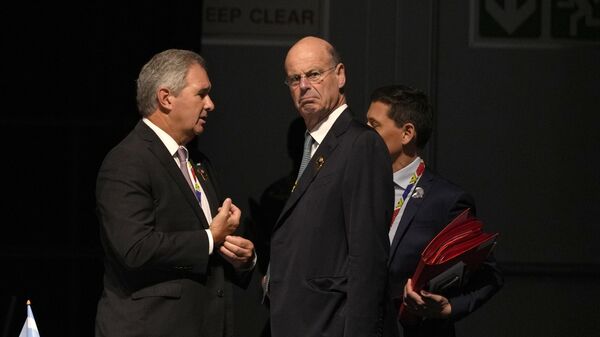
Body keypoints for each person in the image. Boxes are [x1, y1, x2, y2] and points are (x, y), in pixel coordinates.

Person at [95, 49, 256, 337]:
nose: (211, 104)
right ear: (166, 98)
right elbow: (134, 249)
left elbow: (205, 251)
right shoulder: (127, 160)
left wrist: (239, 257)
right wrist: (210, 238)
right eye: (201, 94)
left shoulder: (198, 161)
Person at [268, 36, 398, 337]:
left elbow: (368, 258)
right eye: (294, 79)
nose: (304, 85)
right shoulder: (312, 145)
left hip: (333, 325)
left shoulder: (360, 144)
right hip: (301, 321)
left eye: (314, 74)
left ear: (339, 75)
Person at [366, 85, 503, 337]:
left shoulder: (446, 200)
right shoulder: (360, 187)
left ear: (407, 133)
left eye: (374, 125)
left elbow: (489, 276)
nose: (364, 133)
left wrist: (449, 308)